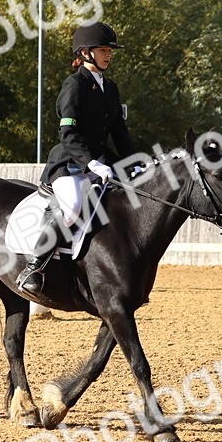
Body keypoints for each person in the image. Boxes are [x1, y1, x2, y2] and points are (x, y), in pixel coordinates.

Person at [16, 21, 140, 295]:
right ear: (85, 53)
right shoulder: (74, 85)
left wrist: (137, 163)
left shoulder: (110, 88)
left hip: (100, 166)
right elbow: (68, 134)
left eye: (110, 50)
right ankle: (34, 267)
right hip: (69, 166)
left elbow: (120, 134)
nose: (109, 54)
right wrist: (91, 163)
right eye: (104, 49)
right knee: (72, 207)